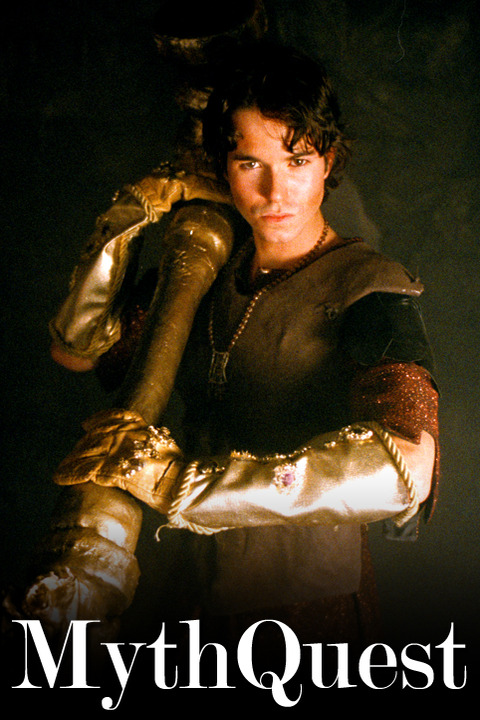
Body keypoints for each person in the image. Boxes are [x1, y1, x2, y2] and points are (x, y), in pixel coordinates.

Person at [24, 44, 440, 666]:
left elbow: (405, 468)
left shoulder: (369, 287)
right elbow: (79, 351)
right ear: (223, 166)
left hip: (307, 608)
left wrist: (179, 484)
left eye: (297, 161)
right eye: (250, 163)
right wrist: (133, 210)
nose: (275, 190)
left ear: (328, 160)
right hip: (194, 583)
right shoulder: (206, 269)